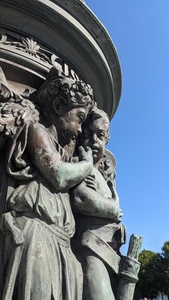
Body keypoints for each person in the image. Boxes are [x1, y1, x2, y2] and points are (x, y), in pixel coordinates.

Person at [0, 69, 94, 300]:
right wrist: (87, 165)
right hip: (37, 236)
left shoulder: (62, 151)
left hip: (61, 242)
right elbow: (59, 175)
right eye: (80, 118)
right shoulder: (37, 131)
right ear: (60, 107)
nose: (81, 129)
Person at [72, 108, 125, 300]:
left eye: (100, 135)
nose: (95, 141)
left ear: (107, 139)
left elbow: (112, 200)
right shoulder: (80, 164)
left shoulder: (103, 176)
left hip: (109, 250)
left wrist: (112, 200)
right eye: (88, 134)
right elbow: (81, 198)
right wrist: (113, 208)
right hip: (91, 247)